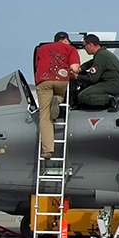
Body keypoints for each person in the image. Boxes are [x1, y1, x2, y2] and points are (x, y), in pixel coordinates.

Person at [33, 32, 81, 161]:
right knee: (60, 94)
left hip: (43, 80)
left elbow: (38, 65)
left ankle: (47, 150)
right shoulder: (70, 49)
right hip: (61, 79)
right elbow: (74, 68)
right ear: (66, 40)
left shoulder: (41, 49)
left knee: (45, 116)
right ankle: (58, 100)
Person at [76, 34, 119, 111]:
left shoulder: (101, 56)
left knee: (83, 96)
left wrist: (77, 77)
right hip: (116, 83)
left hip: (113, 84)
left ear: (90, 44)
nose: (84, 49)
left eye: (84, 46)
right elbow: (91, 63)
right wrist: (80, 69)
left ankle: (112, 100)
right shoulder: (103, 54)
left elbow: (92, 78)